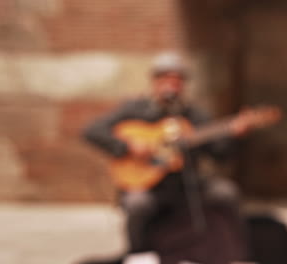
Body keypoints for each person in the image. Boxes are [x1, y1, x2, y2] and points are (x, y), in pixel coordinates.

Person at [82, 52, 253, 258]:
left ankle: (238, 252)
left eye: (177, 81)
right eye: (166, 80)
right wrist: (129, 147)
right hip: (148, 184)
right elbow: (92, 131)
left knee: (226, 193)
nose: (171, 87)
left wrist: (234, 134)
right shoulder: (135, 109)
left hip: (186, 183)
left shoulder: (193, 115)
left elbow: (219, 154)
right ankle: (137, 253)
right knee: (137, 205)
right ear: (155, 82)